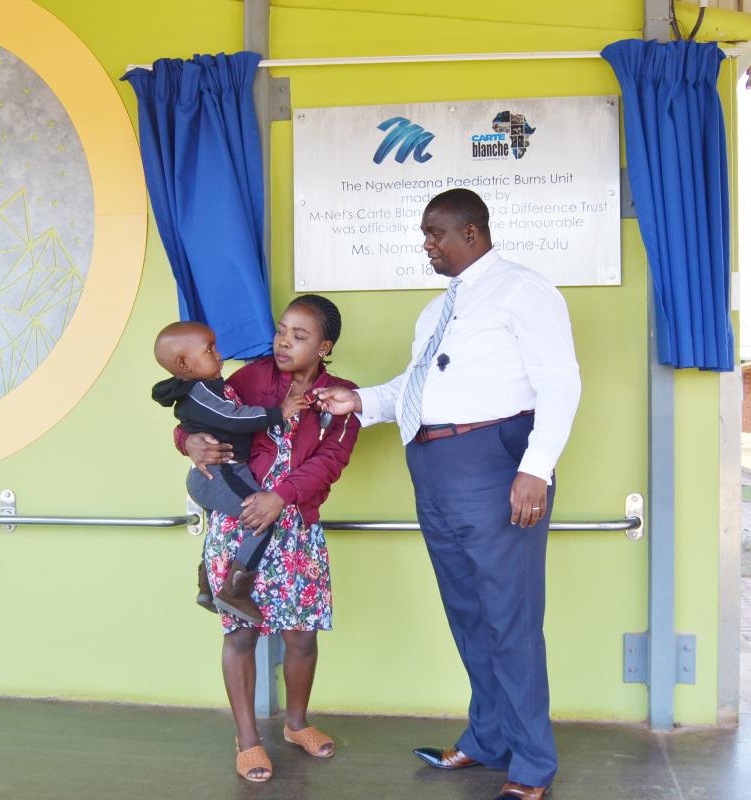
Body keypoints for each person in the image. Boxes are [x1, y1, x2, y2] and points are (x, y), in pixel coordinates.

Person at [315, 188, 580, 800]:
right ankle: (487, 737)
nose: (426, 244)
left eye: (436, 233)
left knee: (509, 617)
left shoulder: (523, 289)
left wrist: (535, 468)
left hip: (495, 461)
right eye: (424, 233)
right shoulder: (436, 310)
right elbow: (418, 385)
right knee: (468, 612)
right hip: (434, 464)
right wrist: (360, 401)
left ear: (473, 231)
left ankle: (533, 763)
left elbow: (559, 381)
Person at [176, 294, 360, 783]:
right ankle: (248, 739)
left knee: (301, 636)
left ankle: (297, 725)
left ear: (325, 346)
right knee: (240, 634)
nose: (283, 342)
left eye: (299, 336)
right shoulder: (252, 378)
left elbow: (330, 463)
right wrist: (188, 442)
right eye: (281, 331)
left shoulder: (342, 395)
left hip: (295, 527)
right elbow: (198, 414)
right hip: (239, 524)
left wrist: (281, 496)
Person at [150, 321, 308, 624]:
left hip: (224, 473)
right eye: (209, 350)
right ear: (184, 363)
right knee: (261, 517)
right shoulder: (198, 391)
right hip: (220, 474)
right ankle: (235, 590)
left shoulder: (210, 387)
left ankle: (208, 584)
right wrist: (280, 411)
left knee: (228, 527)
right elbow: (232, 417)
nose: (219, 354)